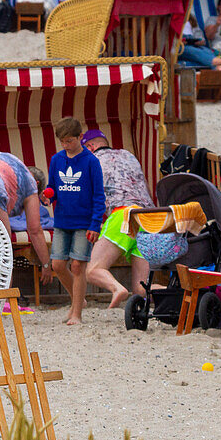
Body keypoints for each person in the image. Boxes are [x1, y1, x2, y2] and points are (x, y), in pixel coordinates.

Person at [80, 129, 154, 308]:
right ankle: (183, 296)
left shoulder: (91, 161)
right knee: (142, 289)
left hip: (124, 215)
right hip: (150, 217)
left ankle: (117, 289)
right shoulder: (128, 155)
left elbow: (88, 200)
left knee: (92, 270)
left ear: (90, 147)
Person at [46, 118, 104, 325]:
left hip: (84, 222)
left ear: (81, 137)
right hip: (62, 220)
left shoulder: (91, 161)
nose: (65, 145)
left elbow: (99, 196)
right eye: (62, 141)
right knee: (58, 265)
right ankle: (79, 300)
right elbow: (53, 187)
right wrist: (47, 196)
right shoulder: (56, 159)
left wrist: (95, 224)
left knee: (78, 265)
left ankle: (76, 313)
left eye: (69, 141)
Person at [0, 154, 52, 282]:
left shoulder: (15, 166)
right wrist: (46, 265)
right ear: (36, 184)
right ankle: (7, 297)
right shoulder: (29, 184)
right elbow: (35, 230)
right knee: (3, 245)